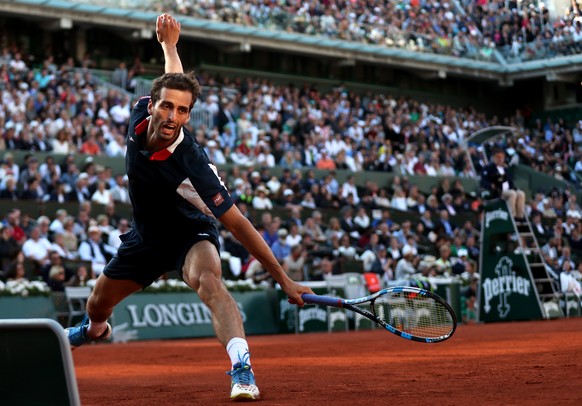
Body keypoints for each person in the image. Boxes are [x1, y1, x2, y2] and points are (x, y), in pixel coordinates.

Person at [64, 14, 312, 402]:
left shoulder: (192, 166)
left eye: (184, 112)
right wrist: (169, 47)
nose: (174, 118)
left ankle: (242, 368)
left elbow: (239, 224)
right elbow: (173, 81)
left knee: (210, 282)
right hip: (146, 238)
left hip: (189, 233)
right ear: (153, 105)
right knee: (98, 305)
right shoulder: (138, 113)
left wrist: (284, 279)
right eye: (167, 108)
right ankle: (95, 331)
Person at [481, 148, 526, 220]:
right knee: (512, 194)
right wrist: (491, 185)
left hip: (509, 189)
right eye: (498, 157)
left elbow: (510, 181)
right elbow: (483, 181)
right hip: (499, 191)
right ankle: (512, 216)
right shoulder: (488, 168)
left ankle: (520, 216)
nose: (500, 159)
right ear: (493, 158)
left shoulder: (506, 169)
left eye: (502, 157)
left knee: (521, 193)